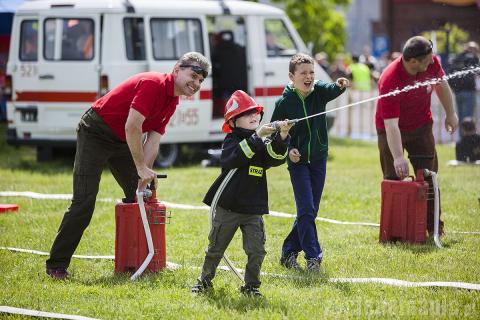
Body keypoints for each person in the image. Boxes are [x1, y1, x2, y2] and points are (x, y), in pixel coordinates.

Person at [45, 52, 211, 279]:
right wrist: (140, 166)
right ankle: (57, 265)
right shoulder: (154, 84)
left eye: (201, 81)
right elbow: (132, 126)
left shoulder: (173, 100)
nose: (196, 83)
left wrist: (144, 174)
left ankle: (147, 259)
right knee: (84, 201)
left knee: (143, 195)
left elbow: (153, 140)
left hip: (122, 139)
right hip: (96, 131)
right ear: (176, 70)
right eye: (193, 76)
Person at [192, 90, 293, 296]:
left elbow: (274, 158)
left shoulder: (262, 141)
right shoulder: (231, 140)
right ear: (233, 120)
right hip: (228, 206)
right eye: (248, 113)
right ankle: (204, 281)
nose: (254, 116)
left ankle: (251, 286)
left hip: (253, 208)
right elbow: (235, 158)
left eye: (256, 112)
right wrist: (257, 136)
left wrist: (282, 136)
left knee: (257, 250)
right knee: (215, 249)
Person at [271, 53, 349, 272]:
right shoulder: (284, 103)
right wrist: (289, 149)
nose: (309, 77)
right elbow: (275, 133)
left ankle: (288, 253)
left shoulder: (319, 92)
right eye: (303, 73)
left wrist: (340, 85)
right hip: (298, 163)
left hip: (318, 159)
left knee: (309, 211)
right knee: (306, 208)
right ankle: (314, 257)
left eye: (311, 72)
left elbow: (332, 88)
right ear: (291, 76)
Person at [375, 36, 458, 236]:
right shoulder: (390, 79)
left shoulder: (431, 61)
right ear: (413, 62)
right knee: (393, 178)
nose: (432, 61)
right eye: (428, 59)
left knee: (430, 178)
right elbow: (391, 125)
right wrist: (398, 157)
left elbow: (442, 85)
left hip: (421, 126)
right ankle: (394, 230)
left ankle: (434, 227)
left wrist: (450, 113)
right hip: (391, 131)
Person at [448, 41, 479, 121]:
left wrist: (453, 88)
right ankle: (469, 133)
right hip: (469, 91)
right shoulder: (472, 57)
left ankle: (462, 134)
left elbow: (450, 73)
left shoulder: (457, 57)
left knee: (460, 118)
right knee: (468, 119)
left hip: (458, 92)